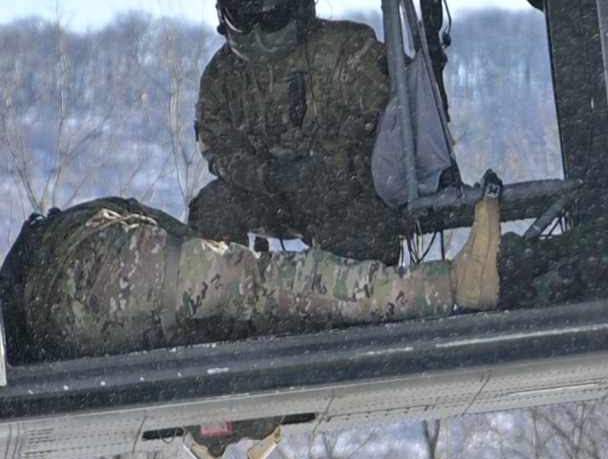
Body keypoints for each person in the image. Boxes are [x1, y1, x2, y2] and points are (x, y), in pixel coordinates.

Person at [0, 190, 500, 364]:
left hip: (55, 296)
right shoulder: (121, 267)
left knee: (261, 290)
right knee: (265, 284)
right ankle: (451, 284)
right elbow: (265, 283)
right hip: (86, 273)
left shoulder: (123, 263)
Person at [188, 0, 400, 263]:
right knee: (213, 206)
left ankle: (364, 302)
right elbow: (219, 148)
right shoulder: (221, 76)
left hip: (350, 201)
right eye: (245, 14)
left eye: (272, 11)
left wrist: (338, 170)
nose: (259, 28)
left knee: (356, 247)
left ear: (299, 2)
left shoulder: (345, 51)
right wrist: (267, 175)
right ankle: (226, 298)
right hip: (273, 199)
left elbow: (398, 127)